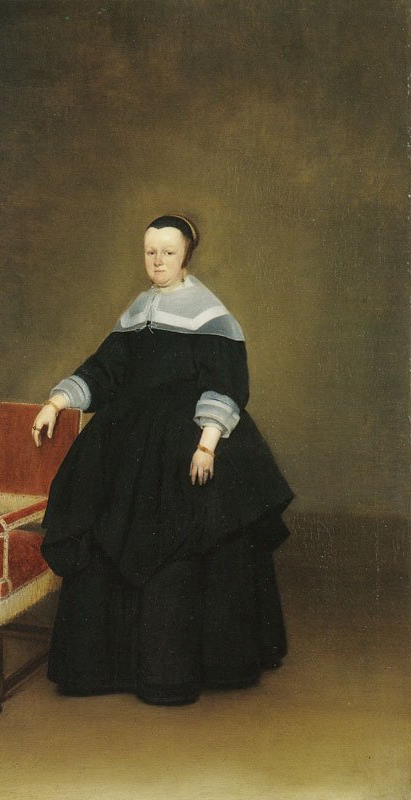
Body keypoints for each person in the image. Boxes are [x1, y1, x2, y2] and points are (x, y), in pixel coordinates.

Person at [31, 214, 293, 706]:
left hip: (191, 436)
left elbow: (226, 382)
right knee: (105, 520)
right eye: (150, 252)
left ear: (186, 255)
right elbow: (105, 370)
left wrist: (207, 443)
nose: (157, 261)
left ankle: (173, 670)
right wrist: (57, 402)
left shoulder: (210, 315)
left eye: (168, 253)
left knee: (184, 532)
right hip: (129, 438)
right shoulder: (139, 310)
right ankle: (106, 666)